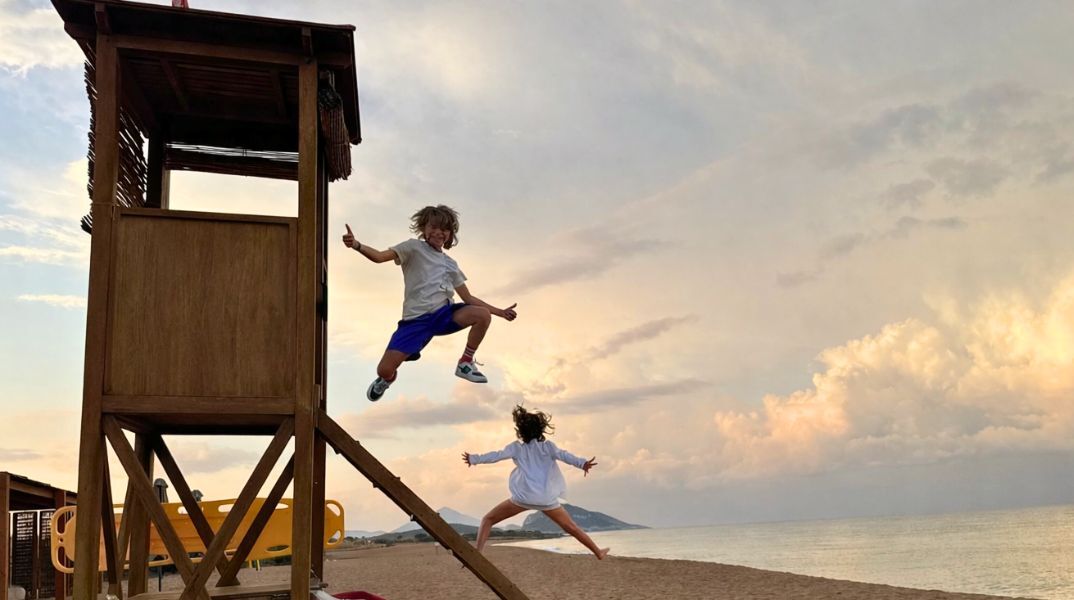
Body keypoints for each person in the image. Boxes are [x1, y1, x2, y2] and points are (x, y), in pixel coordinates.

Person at [342, 205, 517, 401]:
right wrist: (356, 245)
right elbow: (380, 257)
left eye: (444, 229)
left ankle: (465, 362)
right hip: (415, 321)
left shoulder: (450, 263)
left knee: (481, 314)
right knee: (384, 369)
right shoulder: (413, 248)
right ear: (424, 228)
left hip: (443, 314)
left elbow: (468, 298)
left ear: (450, 235)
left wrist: (500, 312)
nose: (439, 233)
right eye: (434, 227)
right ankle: (386, 380)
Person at [462, 405, 610, 559]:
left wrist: (474, 459)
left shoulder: (516, 448)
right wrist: (582, 464)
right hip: (545, 498)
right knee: (571, 527)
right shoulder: (548, 447)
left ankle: (477, 554)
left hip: (523, 497)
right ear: (541, 429)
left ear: (520, 431)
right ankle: (598, 552)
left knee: (488, 519)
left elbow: (496, 456)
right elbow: (564, 455)